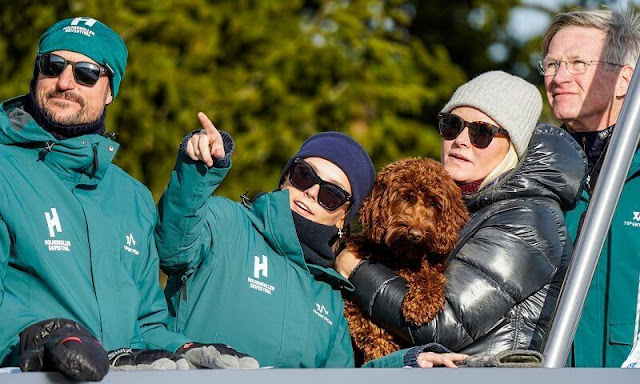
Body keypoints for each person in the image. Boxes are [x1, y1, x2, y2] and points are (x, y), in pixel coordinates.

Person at [0, 17, 256, 381]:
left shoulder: (132, 196)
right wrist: (39, 334)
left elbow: (147, 322)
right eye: (52, 66)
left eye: (87, 73)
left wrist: (181, 347)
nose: (64, 82)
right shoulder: (5, 170)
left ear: (110, 91)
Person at [155, 115, 468, 368]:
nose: (311, 193)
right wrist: (197, 171)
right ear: (286, 177)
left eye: (332, 195)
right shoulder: (227, 223)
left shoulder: (332, 294)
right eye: (305, 175)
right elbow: (172, 247)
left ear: (344, 216)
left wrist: (406, 363)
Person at [335, 71, 586, 356]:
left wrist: (355, 267)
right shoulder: (464, 203)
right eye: (452, 125)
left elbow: (444, 324)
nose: (462, 140)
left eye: (482, 132)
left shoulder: (527, 218)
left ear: (513, 145)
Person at [539, 9, 640, 367]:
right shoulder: (532, 172)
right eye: (551, 65)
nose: (559, 77)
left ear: (625, 80)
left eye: (578, 63)